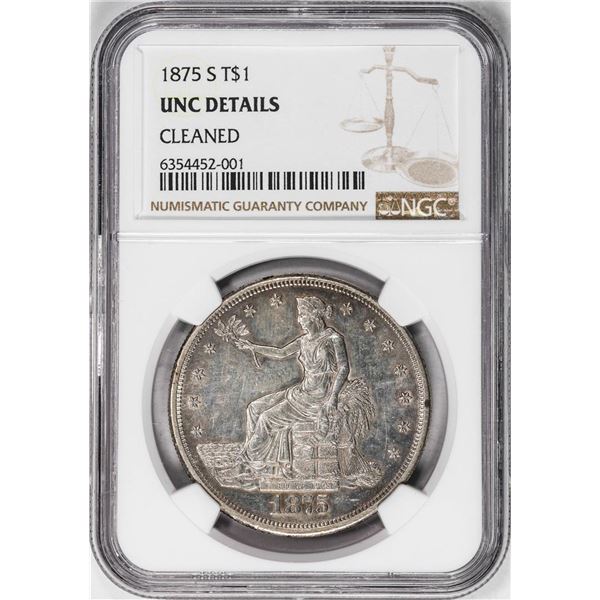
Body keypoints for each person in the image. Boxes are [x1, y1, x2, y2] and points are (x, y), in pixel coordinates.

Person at [233, 296, 349, 478]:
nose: (299, 320)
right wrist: (253, 347)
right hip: (301, 392)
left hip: (317, 398)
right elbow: (281, 353)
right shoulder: (303, 341)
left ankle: (246, 461)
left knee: (266, 418)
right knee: (254, 408)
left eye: (302, 315)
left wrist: (333, 397)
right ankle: (260, 463)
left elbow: (343, 368)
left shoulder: (333, 339)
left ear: (314, 316)